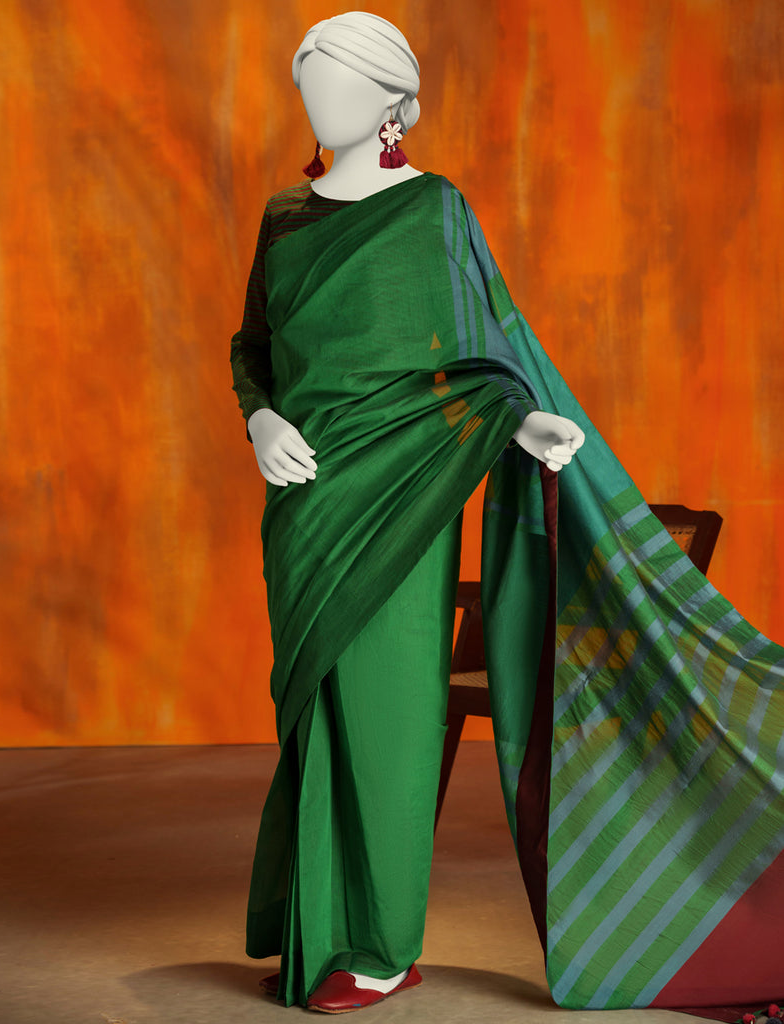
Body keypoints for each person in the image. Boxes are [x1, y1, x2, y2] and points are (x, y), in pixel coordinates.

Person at [230, 11, 784, 1017]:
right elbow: (252, 348)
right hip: (304, 501)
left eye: (344, 84)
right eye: (309, 83)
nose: (322, 101)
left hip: (409, 493)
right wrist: (262, 417)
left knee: (389, 718)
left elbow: (483, 347)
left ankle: (381, 947)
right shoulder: (283, 217)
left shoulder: (432, 208)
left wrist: (523, 422)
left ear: (394, 103)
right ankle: (320, 931)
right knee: (315, 717)